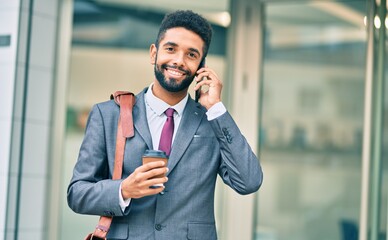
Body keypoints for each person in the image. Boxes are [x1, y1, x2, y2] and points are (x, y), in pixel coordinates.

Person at [67, 10, 263, 240]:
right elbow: (77, 193)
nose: (178, 61)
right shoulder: (108, 114)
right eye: (171, 49)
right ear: (154, 53)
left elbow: (249, 181)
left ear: (201, 65)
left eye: (191, 54)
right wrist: (124, 190)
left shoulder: (212, 121)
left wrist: (216, 107)